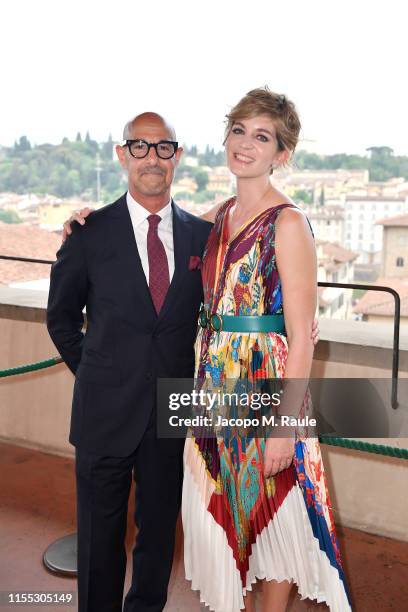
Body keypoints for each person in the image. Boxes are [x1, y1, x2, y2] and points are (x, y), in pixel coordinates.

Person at [58, 108, 320, 612]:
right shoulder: (202, 223)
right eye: (238, 131)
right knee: (215, 531)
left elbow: (296, 324)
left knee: (254, 530)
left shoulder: (247, 227)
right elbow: (69, 313)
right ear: (122, 154)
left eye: (261, 136)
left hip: (225, 403)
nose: (151, 157)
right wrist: (97, 372)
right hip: (157, 409)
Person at [181, 88, 352, 612]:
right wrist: (88, 220)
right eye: (239, 131)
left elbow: (302, 336)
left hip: (266, 391)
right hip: (214, 388)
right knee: (232, 516)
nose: (246, 145)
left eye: (262, 136)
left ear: (281, 154)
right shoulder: (221, 213)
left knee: (276, 519)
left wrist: (285, 428)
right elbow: (159, 237)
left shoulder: (288, 223)